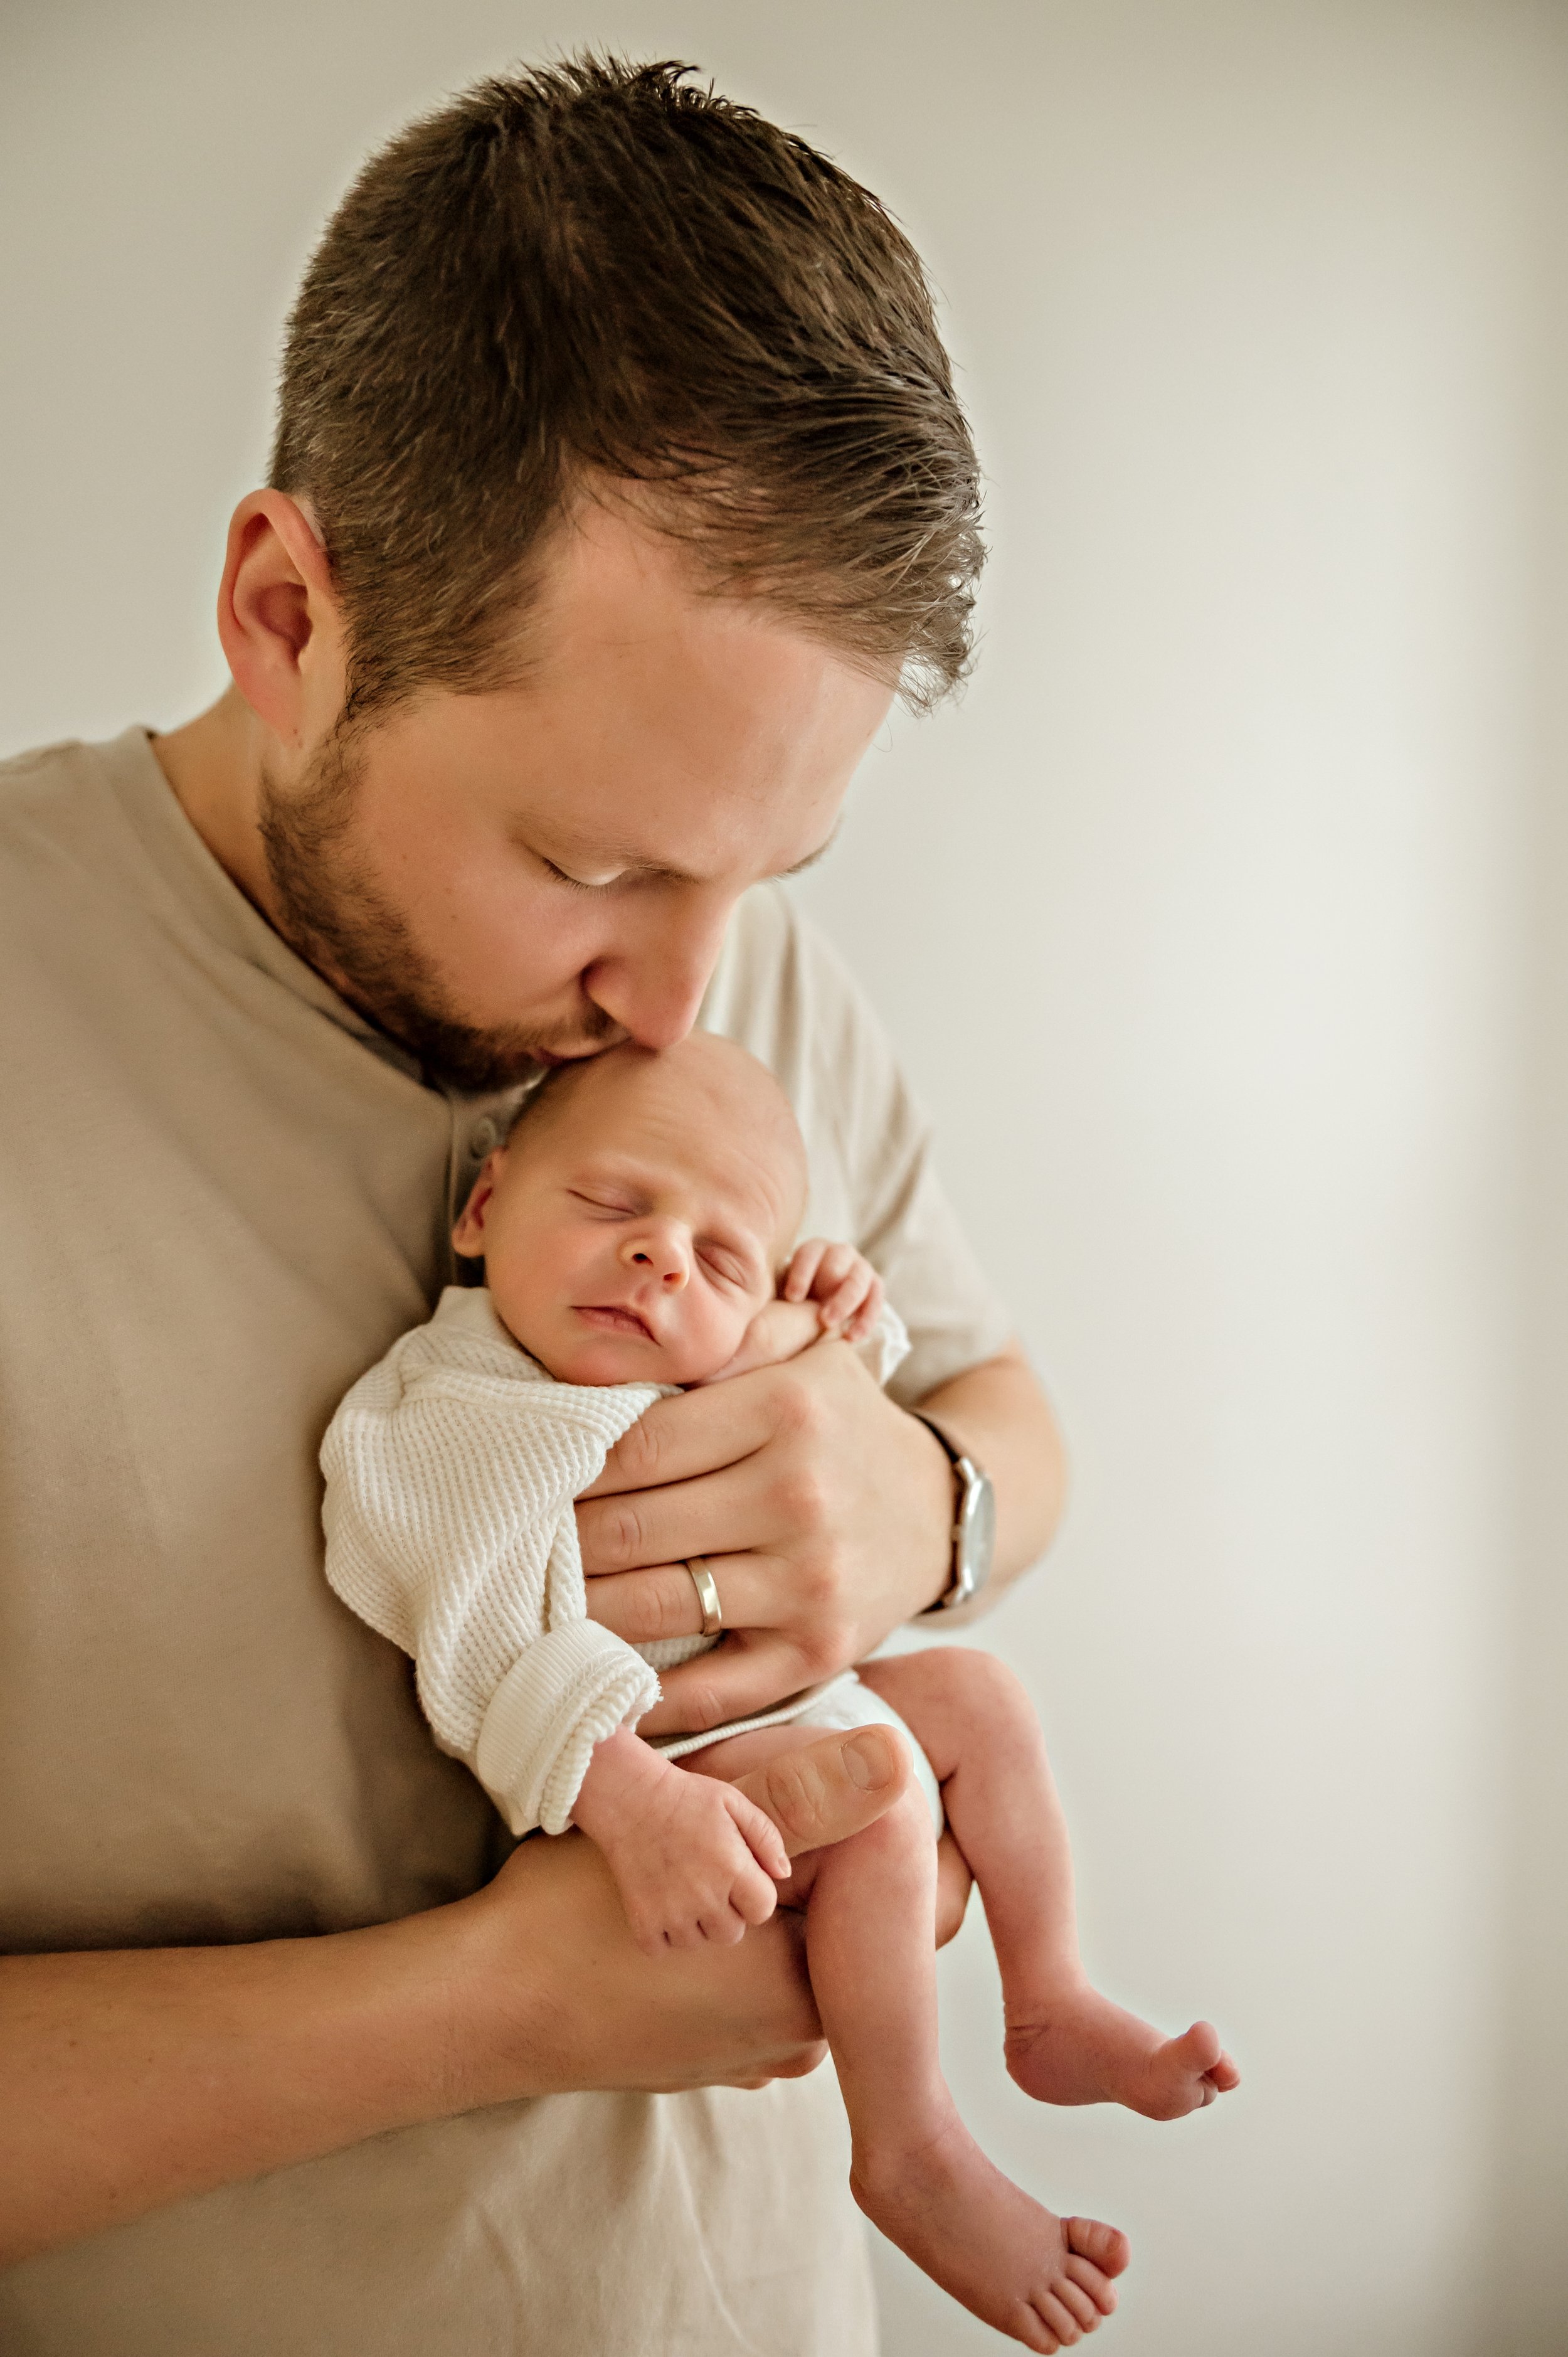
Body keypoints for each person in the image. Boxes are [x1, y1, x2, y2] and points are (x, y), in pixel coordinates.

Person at [1, 55, 1069, 2357]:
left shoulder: (727, 970)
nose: (686, 995)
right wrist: (489, 2000)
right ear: (290, 612)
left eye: (764, 871)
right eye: (593, 863)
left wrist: (918, 1504)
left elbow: (1004, 1411)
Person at [322, 1033, 1237, 2352]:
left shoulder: (676, 1346)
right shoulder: (459, 1407)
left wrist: (838, 1313)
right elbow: (475, 1642)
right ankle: (906, 2142)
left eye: (721, 1251)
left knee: (979, 1699)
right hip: (640, 1770)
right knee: (873, 1806)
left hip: (784, 1702)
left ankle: (1044, 1997)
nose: (660, 1256)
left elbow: (826, 1425)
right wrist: (634, 1804)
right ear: (485, 1205)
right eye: (609, 1203)